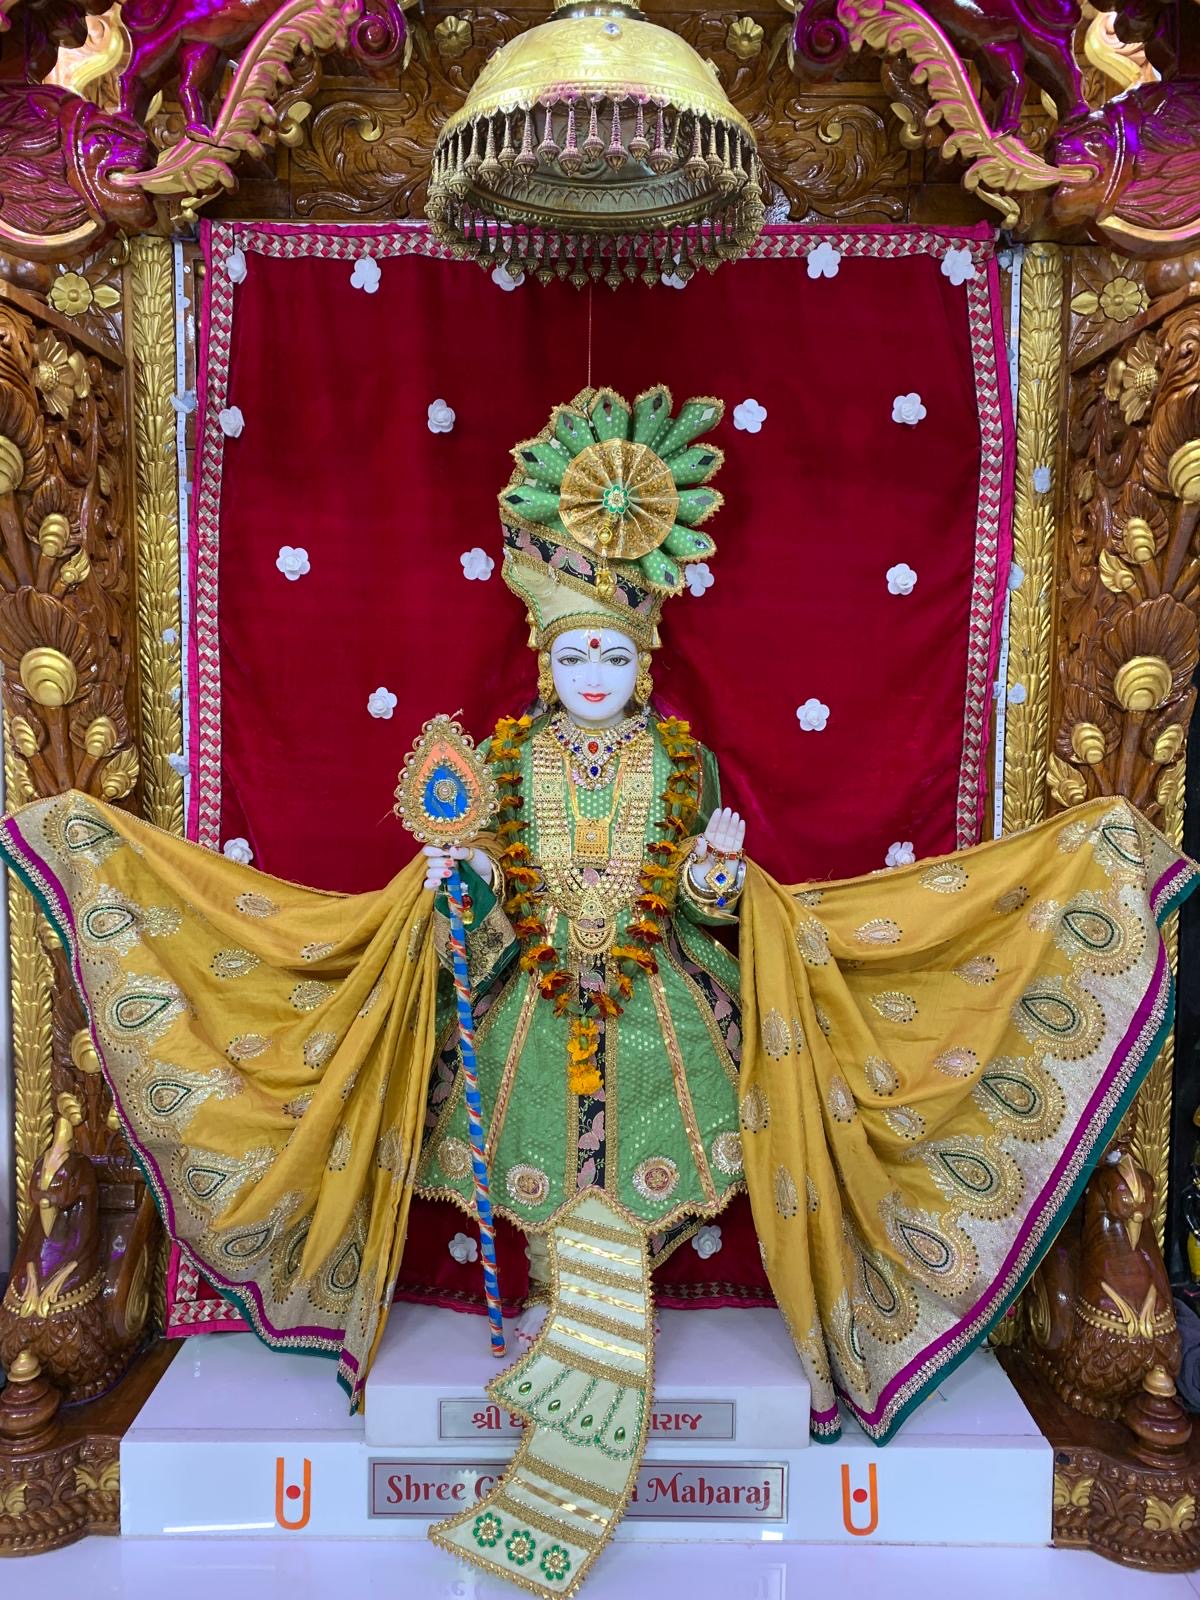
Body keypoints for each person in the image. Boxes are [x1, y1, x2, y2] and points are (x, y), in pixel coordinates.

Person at [1, 385, 1193, 1597]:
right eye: (574, 653)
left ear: (645, 658)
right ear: (544, 656)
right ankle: (566, 1363)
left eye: (613, 654)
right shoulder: (507, 758)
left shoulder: (681, 763)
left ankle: (586, 1384)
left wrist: (719, 877)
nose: (592, 672)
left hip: (654, 1018)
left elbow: (703, 904)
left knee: (629, 1192)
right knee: (549, 1183)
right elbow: (489, 897)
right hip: (529, 1008)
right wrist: (462, 884)